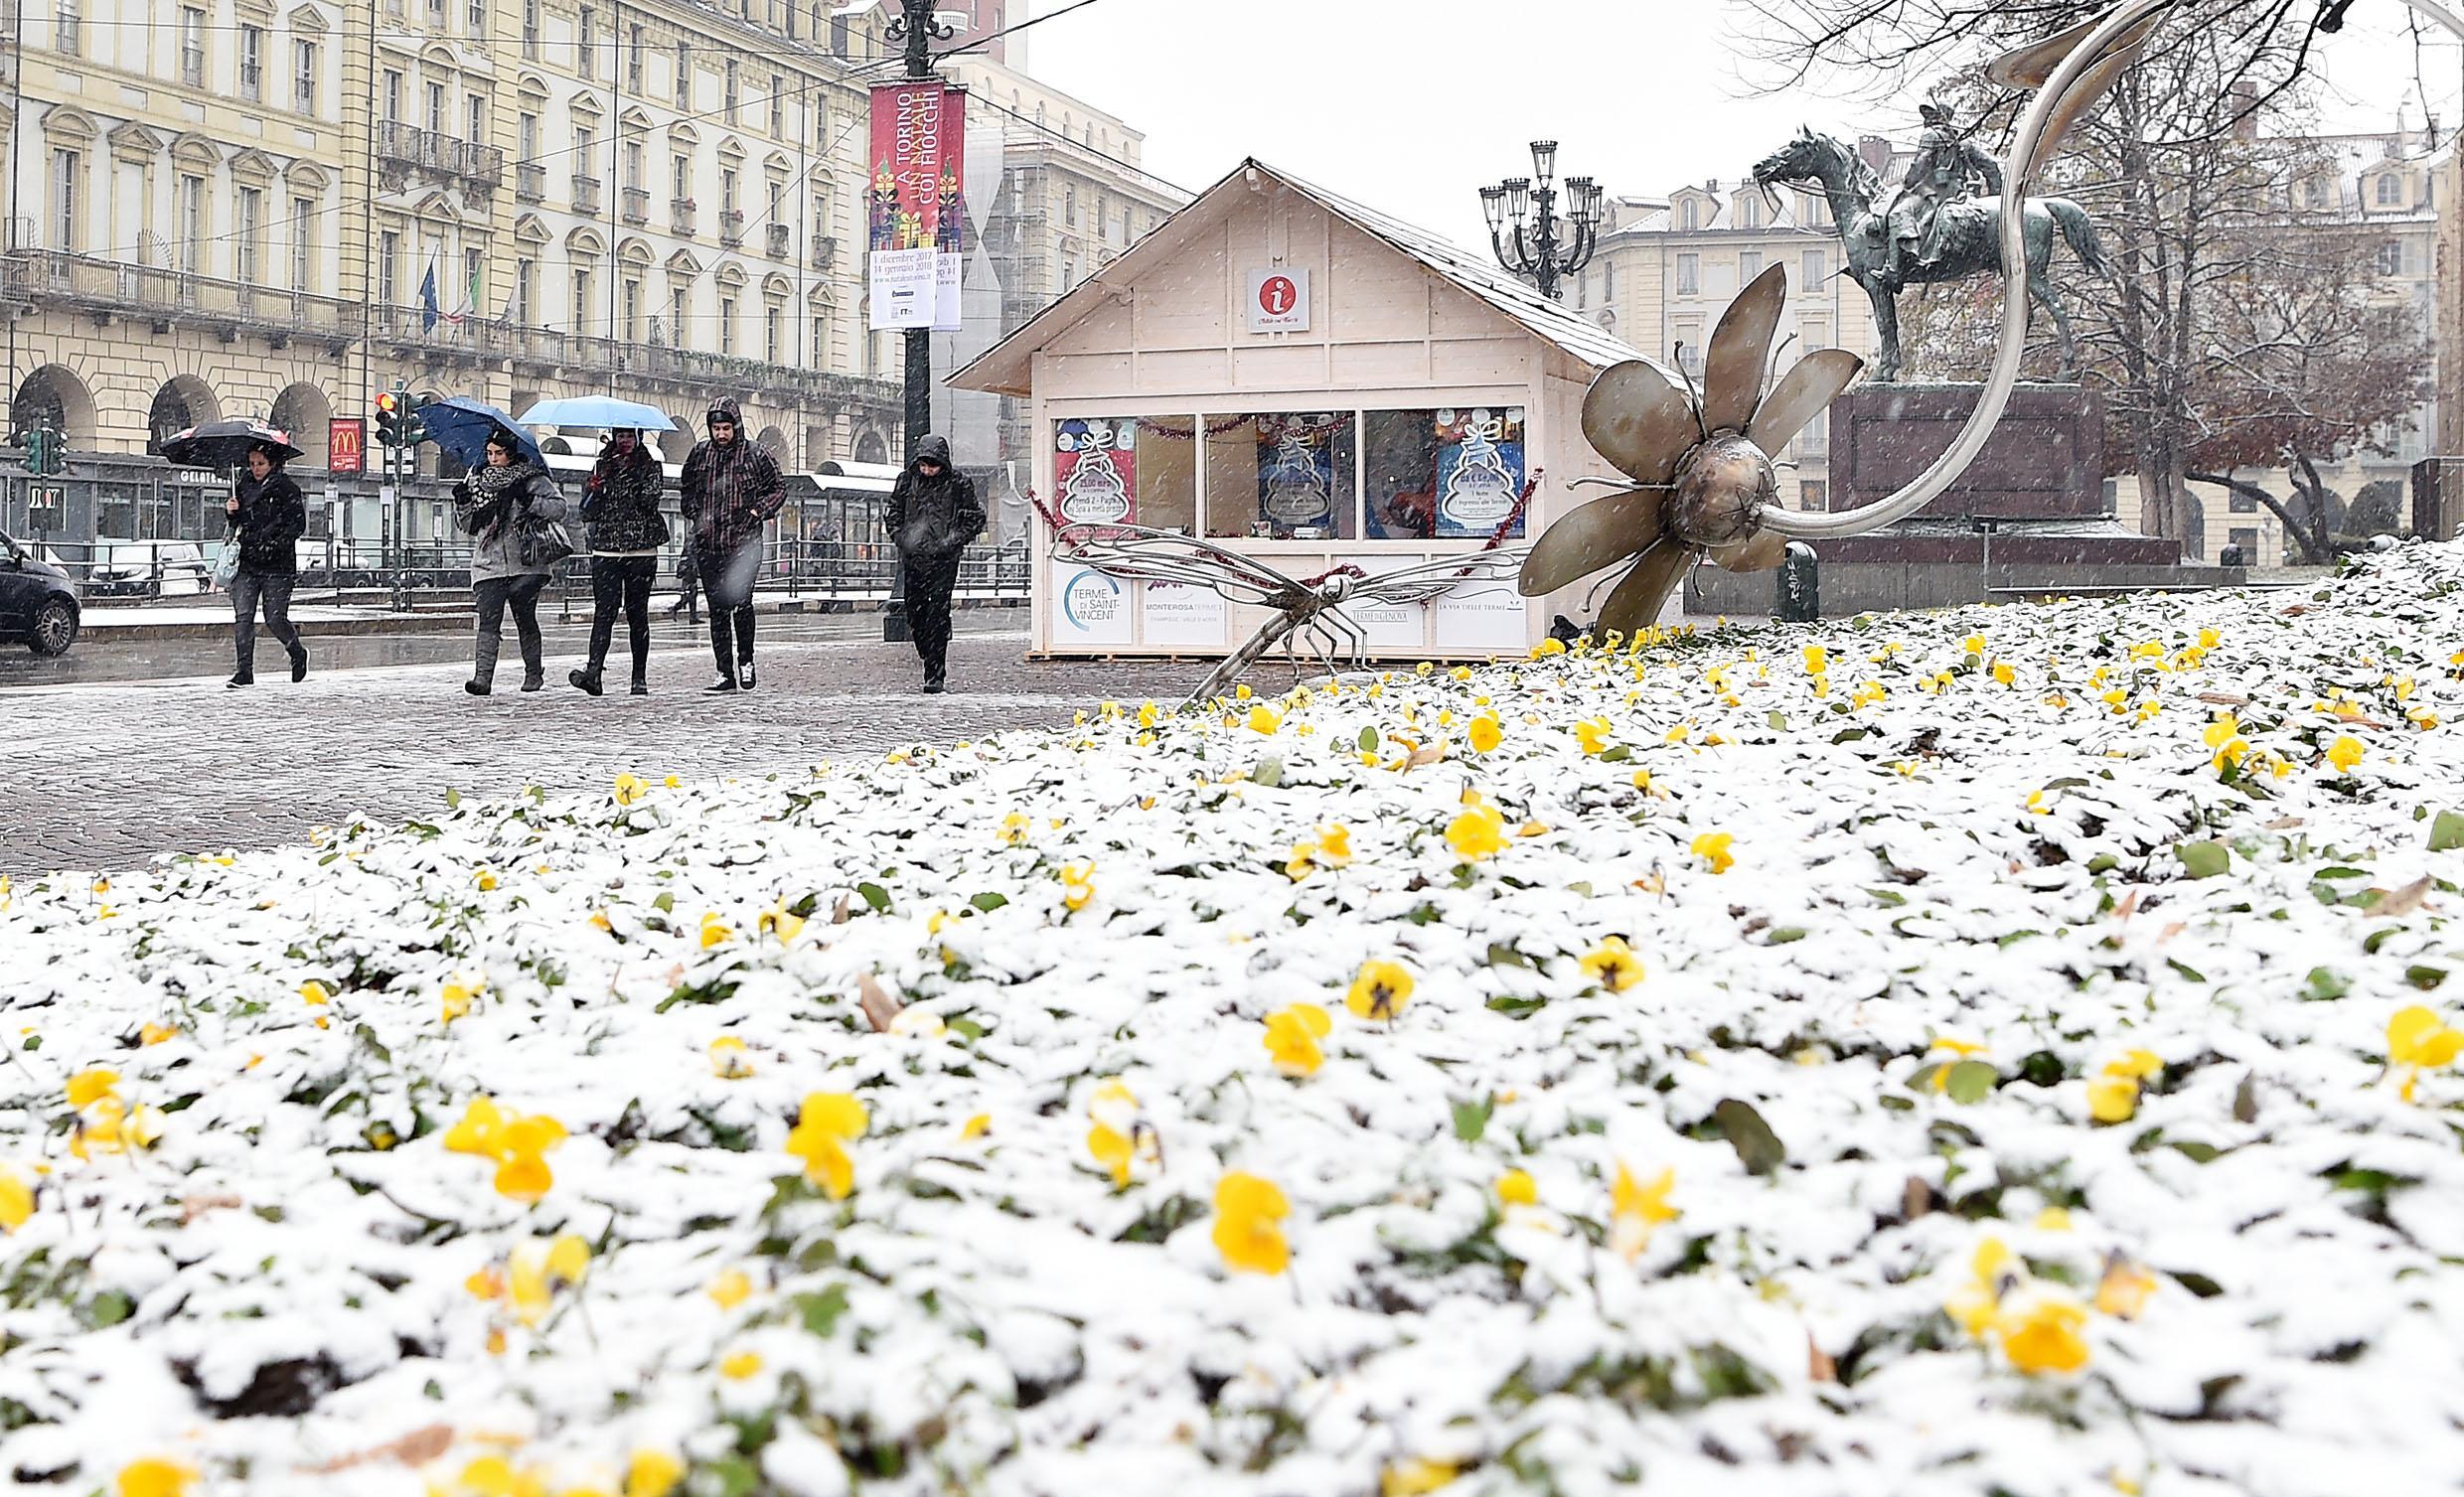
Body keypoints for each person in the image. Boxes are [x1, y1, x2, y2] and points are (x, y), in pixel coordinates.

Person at [453, 427, 569, 696]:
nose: (493, 458)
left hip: (526, 563)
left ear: (511, 453)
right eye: (490, 453)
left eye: (499, 453)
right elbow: (470, 526)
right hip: (488, 563)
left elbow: (559, 509)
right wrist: (463, 502)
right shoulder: (477, 481)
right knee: (488, 621)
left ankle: (533, 674)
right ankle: (482, 678)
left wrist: (528, 499)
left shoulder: (532, 479)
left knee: (525, 617)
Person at [678, 395, 782, 692]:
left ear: (735, 427)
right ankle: (724, 671)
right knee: (717, 609)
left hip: (744, 543)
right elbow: (687, 488)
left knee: (742, 602)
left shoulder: (756, 455)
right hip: (710, 542)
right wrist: (695, 514)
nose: (721, 434)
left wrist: (756, 511)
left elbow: (778, 488)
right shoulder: (700, 454)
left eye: (726, 428)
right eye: (716, 428)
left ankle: (746, 660)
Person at [569, 427, 668, 697]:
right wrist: (595, 489)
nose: (624, 441)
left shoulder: (650, 466)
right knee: (604, 613)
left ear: (638, 438)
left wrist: (630, 474)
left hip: (640, 550)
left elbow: (649, 500)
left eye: (629, 436)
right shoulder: (601, 465)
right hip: (607, 550)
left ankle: (639, 678)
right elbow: (586, 511)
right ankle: (594, 673)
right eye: (620, 436)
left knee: (637, 614)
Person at [885, 433, 984, 693]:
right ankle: (928, 651)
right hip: (914, 557)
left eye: (933, 466)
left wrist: (951, 542)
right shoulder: (907, 481)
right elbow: (893, 511)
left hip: (943, 560)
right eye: (924, 465)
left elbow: (975, 518)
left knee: (937, 614)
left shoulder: (959, 484)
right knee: (915, 613)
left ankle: (935, 672)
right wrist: (902, 538)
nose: (928, 471)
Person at [1883, 101, 2001, 288]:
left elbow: (1921, 163)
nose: (1926, 120)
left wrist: (1908, 182)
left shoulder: (1931, 135)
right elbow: (1992, 167)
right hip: (1962, 193)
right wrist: (1997, 198)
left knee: (1897, 214)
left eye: (1929, 116)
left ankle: (1894, 270)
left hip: (1938, 194)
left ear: (1937, 117)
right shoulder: (1965, 142)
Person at [224, 442, 309, 689]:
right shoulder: (243, 486)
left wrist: (274, 544)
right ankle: (244, 670)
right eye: (252, 464)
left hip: (277, 565)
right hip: (248, 562)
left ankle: (296, 651)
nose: (256, 468)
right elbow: (239, 522)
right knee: (243, 617)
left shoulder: (287, 488)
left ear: (272, 463)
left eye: (260, 463)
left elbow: (297, 525)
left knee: (274, 617)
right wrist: (232, 511)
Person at [666, 541, 700, 624]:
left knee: (692, 594)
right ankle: (675, 609)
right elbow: (691, 559)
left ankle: (693, 616)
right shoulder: (691, 545)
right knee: (690, 595)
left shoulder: (689, 544)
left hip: (689, 572)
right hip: (689, 572)